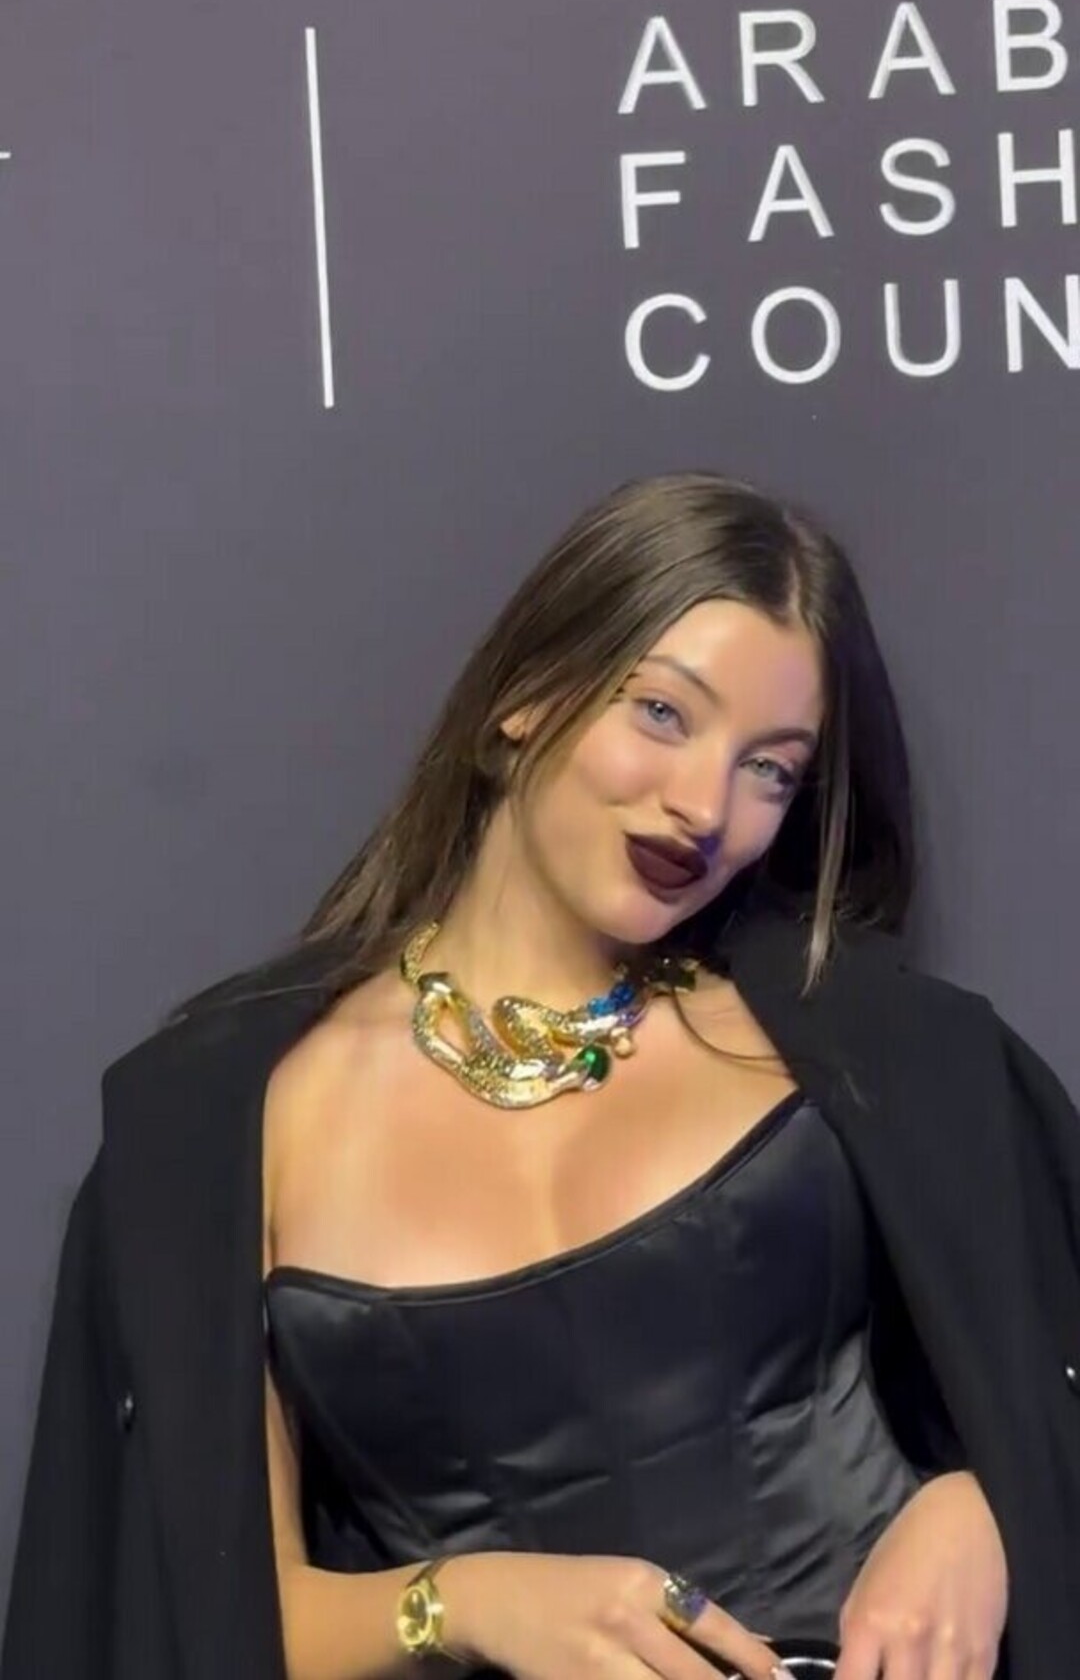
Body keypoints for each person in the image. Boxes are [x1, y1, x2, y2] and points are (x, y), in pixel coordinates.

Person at [3, 470, 1080, 1680]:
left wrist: (987, 1504)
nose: (703, 805)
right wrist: (464, 1600)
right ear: (525, 693)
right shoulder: (224, 1125)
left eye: (771, 769)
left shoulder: (870, 1050)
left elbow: (1045, 1379)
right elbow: (194, 1612)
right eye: (662, 713)